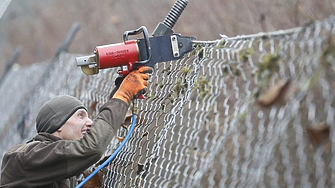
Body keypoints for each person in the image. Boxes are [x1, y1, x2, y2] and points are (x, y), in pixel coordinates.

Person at [0, 67, 152, 188]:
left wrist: (119, 92)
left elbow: (95, 138)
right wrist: (123, 95)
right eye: (80, 115)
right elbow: (91, 148)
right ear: (58, 123)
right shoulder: (27, 156)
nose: (90, 122)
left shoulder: (57, 161)